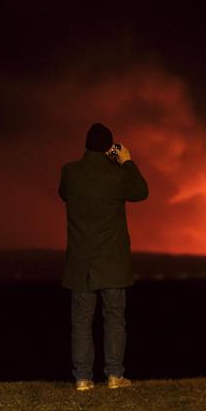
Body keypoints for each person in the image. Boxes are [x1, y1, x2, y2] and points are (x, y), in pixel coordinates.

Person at [59, 123, 148, 391]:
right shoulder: (118, 174)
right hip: (112, 263)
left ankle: (83, 379)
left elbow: (63, 193)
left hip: (81, 264)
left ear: (86, 145)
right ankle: (114, 376)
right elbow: (141, 192)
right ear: (111, 148)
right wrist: (127, 162)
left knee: (82, 322)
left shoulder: (70, 172)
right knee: (114, 319)